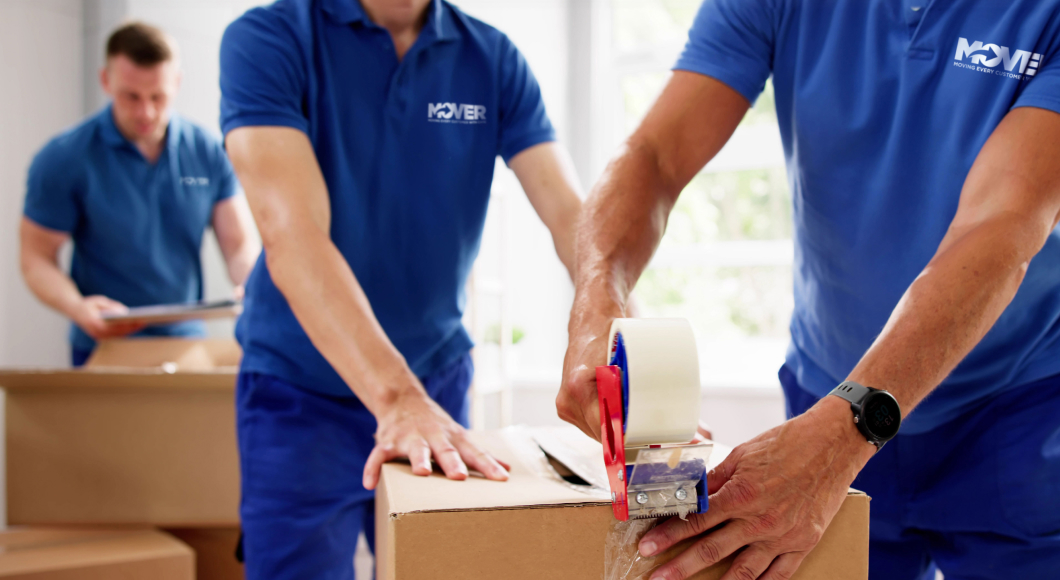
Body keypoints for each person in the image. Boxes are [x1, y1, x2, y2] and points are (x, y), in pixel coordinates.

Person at [559, 1, 1060, 579]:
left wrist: (847, 429)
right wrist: (595, 301)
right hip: (827, 388)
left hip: (1011, 417)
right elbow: (655, 154)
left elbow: (1000, 226)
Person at [218, 0, 583, 577]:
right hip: (300, 392)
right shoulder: (270, 38)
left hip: (434, 380)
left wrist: (635, 348)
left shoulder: (490, 57)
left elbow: (572, 217)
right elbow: (293, 233)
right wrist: (396, 398)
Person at [20, 22, 259, 366]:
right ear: (106, 81)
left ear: (177, 83)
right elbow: (36, 258)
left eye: (157, 97)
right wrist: (77, 307)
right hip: (102, 346)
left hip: (186, 344)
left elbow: (237, 245)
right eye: (131, 96)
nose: (145, 112)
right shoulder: (64, 158)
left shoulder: (208, 153)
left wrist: (252, 287)